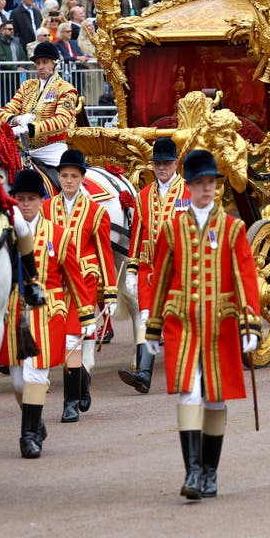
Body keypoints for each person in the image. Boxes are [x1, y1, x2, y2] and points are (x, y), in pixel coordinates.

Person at [139, 149, 260, 501]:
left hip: (220, 324)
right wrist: (153, 324)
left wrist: (249, 324)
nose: (208, 189)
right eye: (201, 183)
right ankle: (192, 472)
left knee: (215, 399)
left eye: (212, 182)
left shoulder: (233, 228)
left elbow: (245, 279)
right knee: (189, 391)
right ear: (189, 186)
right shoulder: (173, 229)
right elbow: (160, 278)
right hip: (183, 323)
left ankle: (210, 471)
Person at [0, 169, 83, 458]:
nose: (25, 204)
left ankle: (29, 436)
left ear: (41, 200)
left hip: (47, 314)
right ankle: (35, 420)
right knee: (18, 381)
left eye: (31, 199)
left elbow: (74, 277)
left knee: (36, 375)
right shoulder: (4, 234)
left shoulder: (58, 235)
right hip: (14, 314)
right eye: (20, 199)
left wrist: (84, 315)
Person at [42, 149, 115, 423]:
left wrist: (109, 294)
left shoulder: (96, 212)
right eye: (64, 176)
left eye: (74, 176)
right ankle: (81, 385)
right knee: (60, 342)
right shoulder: (47, 209)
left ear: (82, 178)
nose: (69, 180)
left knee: (73, 340)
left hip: (83, 285)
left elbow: (105, 254)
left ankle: (70, 402)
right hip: (56, 284)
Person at [119, 137, 189, 394]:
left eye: (166, 163)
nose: (161, 168)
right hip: (150, 271)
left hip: (179, 269)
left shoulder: (189, 192)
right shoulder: (143, 196)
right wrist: (132, 269)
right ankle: (144, 374)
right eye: (158, 163)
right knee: (148, 320)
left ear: (176, 163)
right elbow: (137, 233)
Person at [0, 41, 79, 167]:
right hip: (23, 149)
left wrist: (30, 128)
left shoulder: (66, 89)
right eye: (38, 63)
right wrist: (16, 119)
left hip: (52, 150)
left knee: (63, 182)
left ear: (55, 63)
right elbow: (3, 112)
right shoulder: (27, 86)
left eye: (45, 62)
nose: (41, 66)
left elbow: (62, 120)